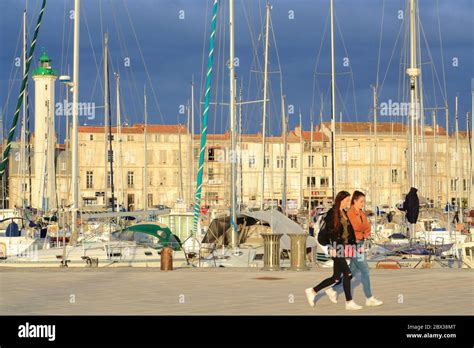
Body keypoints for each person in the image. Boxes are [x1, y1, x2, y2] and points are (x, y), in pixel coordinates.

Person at [305, 191, 362, 310]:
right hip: (336, 248)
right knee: (348, 274)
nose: (348, 202)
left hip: (344, 247)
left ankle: (313, 291)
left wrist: (354, 245)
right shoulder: (332, 214)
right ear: (340, 200)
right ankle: (349, 302)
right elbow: (325, 233)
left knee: (336, 277)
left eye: (349, 200)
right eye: (346, 200)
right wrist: (329, 247)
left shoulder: (344, 213)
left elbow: (348, 232)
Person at [325, 191, 383, 307]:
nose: (363, 204)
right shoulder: (350, 213)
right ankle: (369, 298)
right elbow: (355, 227)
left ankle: (333, 289)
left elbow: (367, 227)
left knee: (353, 271)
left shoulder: (361, 213)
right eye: (361, 201)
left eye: (364, 201)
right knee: (365, 270)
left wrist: (365, 232)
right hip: (353, 245)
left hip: (360, 243)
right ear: (354, 201)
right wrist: (362, 230)